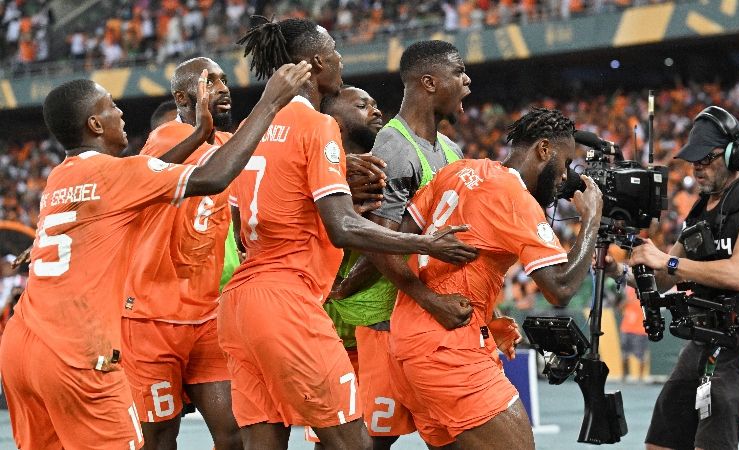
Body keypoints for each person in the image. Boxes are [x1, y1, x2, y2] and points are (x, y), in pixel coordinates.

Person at [0, 63, 311, 450]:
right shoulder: (116, 174)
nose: (121, 113)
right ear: (95, 125)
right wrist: (270, 102)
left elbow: (150, 175)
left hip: (21, 346)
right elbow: (212, 178)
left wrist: (200, 132)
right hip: (77, 349)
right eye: (111, 106)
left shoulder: (61, 177)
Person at [219, 18, 478, 450]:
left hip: (241, 305)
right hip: (288, 302)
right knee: (353, 443)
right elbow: (343, 227)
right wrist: (425, 243)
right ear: (317, 62)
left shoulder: (253, 125)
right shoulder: (317, 126)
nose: (341, 59)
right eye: (336, 50)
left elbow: (242, 230)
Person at [371, 107, 602, 449]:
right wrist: (592, 219)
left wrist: (483, 315)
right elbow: (561, 288)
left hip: (407, 343)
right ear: (543, 150)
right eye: (565, 164)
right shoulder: (515, 197)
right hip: (449, 349)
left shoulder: (460, 170)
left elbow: (390, 242)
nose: (563, 178)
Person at [608, 106, 739, 450]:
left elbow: (738, 274)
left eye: (706, 159)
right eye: (693, 161)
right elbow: (663, 279)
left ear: (734, 154)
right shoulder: (699, 211)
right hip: (704, 339)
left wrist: (668, 259)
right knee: (661, 441)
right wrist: (617, 270)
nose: (697, 168)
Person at [328, 40, 473, 449]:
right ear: (429, 82)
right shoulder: (393, 147)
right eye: (458, 72)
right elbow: (378, 242)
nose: (467, 81)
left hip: (422, 315)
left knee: (448, 434)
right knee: (376, 438)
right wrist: (428, 298)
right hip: (385, 320)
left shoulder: (451, 150)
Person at [120, 56, 244, 450]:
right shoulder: (168, 136)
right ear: (182, 96)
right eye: (211, 81)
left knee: (233, 432)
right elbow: (141, 177)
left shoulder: (227, 144)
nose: (223, 88)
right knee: (159, 437)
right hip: (152, 318)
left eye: (225, 80)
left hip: (208, 314)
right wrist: (200, 134)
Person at [306, 84, 384, 448]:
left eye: (375, 103)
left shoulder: (383, 167)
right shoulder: (311, 168)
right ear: (335, 120)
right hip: (327, 334)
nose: (376, 110)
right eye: (363, 104)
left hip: (378, 333)